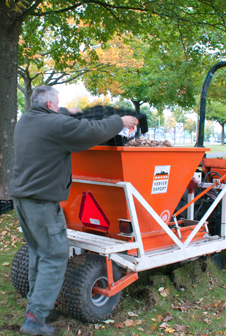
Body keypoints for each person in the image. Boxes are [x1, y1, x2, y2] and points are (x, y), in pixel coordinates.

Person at [9, 85, 138, 336]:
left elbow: (56, 118)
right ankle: (35, 319)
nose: (59, 108)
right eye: (57, 104)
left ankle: (39, 307)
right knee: (55, 255)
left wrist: (69, 110)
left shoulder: (26, 120)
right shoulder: (56, 126)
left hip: (22, 200)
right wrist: (118, 120)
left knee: (38, 252)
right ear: (49, 106)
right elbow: (91, 131)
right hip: (42, 203)